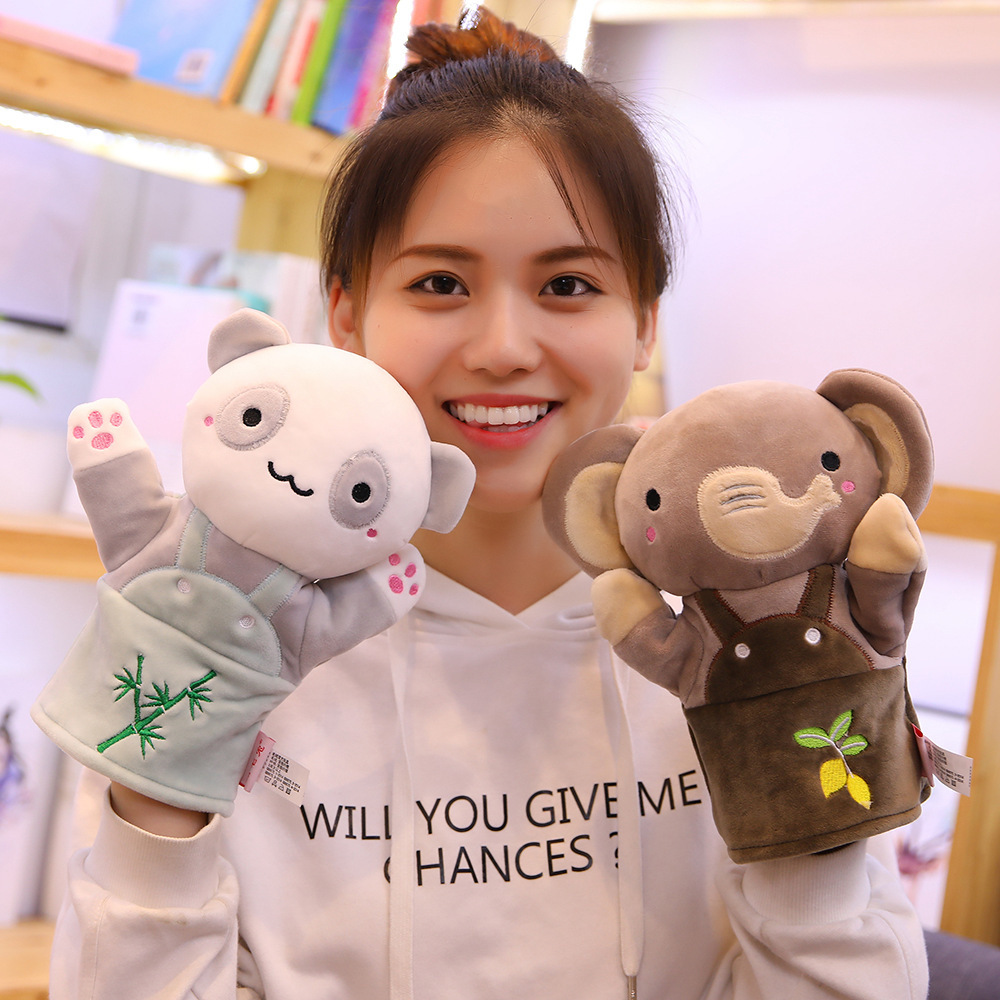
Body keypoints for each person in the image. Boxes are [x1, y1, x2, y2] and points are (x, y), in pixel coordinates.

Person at [48, 8, 929, 999]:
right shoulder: (224, 630)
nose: (505, 346)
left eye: (567, 284)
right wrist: (163, 777)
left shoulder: (746, 637)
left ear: (643, 321)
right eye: (439, 282)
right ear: (346, 315)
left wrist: (807, 804)